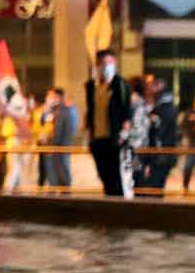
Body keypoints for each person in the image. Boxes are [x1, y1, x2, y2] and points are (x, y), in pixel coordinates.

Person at [85, 49, 127, 197]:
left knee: (116, 176)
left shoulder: (120, 84)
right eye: (103, 63)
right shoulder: (91, 87)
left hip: (114, 138)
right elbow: (91, 111)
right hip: (98, 139)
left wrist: (123, 134)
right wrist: (89, 136)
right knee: (104, 175)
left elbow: (126, 111)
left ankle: (118, 208)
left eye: (109, 62)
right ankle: (109, 203)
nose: (106, 66)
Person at [143, 75, 179, 191]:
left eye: (154, 86)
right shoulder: (163, 105)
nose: (151, 89)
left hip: (161, 153)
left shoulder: (164, 107)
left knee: (155, 186)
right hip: (162, 153)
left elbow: (159, 130)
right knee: (156, 186)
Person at [37, 88, 77, 188]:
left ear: (58, 97)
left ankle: (63, 198)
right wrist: (46, 109)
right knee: (53, 176)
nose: (48, 98)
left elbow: (59, 130)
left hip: (58, 148)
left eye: (50, 96)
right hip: (52, 147)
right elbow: (43, 122)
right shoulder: (52, 110)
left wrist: (53, 145)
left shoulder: (64, 109)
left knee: (61, 174)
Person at [119, 75, 149, 199]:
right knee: (138, 178)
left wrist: (121, 137)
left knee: (130, 179)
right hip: (141, 145)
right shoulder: (141, 101)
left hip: (130, 145)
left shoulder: (132, 100)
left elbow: (129, 123)